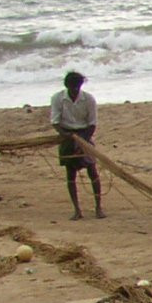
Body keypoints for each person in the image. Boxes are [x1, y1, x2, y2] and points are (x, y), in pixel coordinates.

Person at [50, 71, 102, 219]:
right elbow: (55, 122)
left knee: (92, 171)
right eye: (72, 88)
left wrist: (82, 142)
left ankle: (98, 207)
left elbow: (92, 124)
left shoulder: (89, 99)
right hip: (66, 135)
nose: (75, 91)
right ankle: (77, 210)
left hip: (84, 134)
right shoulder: (57, 98)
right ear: (66, 86)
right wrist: (67, 136)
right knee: (70, 174)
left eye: (77, 88)